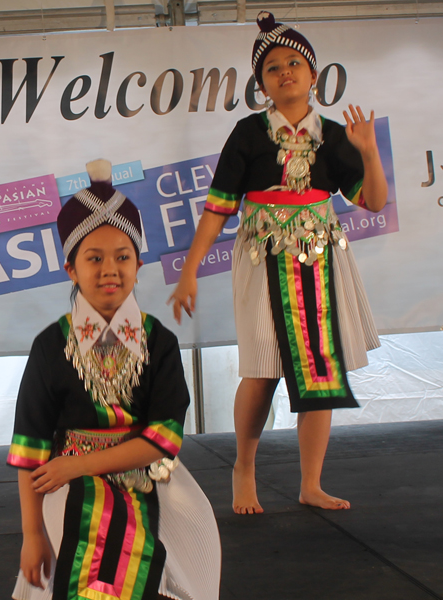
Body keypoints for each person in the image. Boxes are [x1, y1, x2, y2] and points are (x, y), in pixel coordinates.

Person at [169, 12, 388, 514]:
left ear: (314, 75)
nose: (284, 71)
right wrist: (188, 270)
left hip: (320, 254)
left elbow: (373, 201)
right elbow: (219, 208)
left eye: (294, 62)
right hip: (263, 255)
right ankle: (243, 467)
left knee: (319, 369)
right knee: (263, 368)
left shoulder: (335, 137)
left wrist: (369, 154)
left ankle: (311, 482)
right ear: (262, 83)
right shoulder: (247, 133)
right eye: (272, 67)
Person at [7, 159, 221, 600]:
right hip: (68, 486)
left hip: (143, 474)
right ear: (70, 268)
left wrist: (79, 465)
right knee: (98, 591)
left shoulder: (158, 341)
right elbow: (30, 448)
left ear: (139, 264)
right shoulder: (50, 346)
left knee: (182, 599)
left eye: (123, 257)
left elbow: (164, 438)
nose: (110, 270)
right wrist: (32, 535)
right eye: (94, 257)